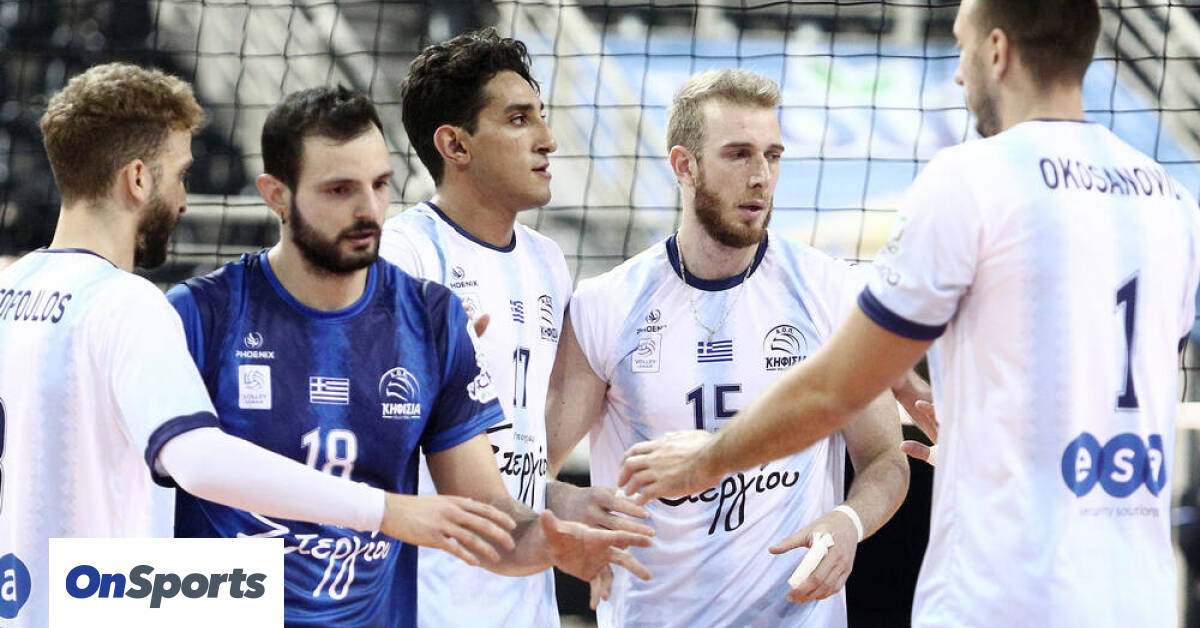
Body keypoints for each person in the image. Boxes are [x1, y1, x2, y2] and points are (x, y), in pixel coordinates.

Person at [619, 1, 1200, 626]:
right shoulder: (1170, 199)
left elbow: (835, 387)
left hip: (1007, 595)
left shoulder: (971, 180)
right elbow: (1141, 396)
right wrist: (988, 440)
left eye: (961, 46)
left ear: (997, 51)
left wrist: (706, 460)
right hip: (1136, 595)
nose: (958, 72)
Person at [0, 63, 520, 627]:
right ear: (139, 180)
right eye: (181, 174)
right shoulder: (129, 304)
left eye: (378, 185)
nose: (183, 199)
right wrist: (386, 511)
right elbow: (199, 460)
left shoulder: (11, 288)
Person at [169, 85, 650, 627]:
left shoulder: (429, 317)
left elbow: (490, 514)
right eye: (339, 190)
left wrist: (550, 543)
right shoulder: (201, 315)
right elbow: (179, 479)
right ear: (276, 194)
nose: (367, 210)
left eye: (379, 185)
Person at [546, 68, 910, 627]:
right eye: (738, 155)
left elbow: (885, 457)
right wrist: (565, 505)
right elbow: (528, 469)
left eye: (773, 155)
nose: (761, 177)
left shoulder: (829, 290)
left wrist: (849, 521)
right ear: (684, 166)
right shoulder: (605, 305)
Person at [380, 28, 653, 626]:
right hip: (427, 595)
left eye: (541, 116)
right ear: (455, 145)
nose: (548, 139)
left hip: (523, 595)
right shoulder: (403, 257)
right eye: (519, 119)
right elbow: (385, 445)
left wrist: (559, 499)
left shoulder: (546, 259)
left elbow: (515, 448)